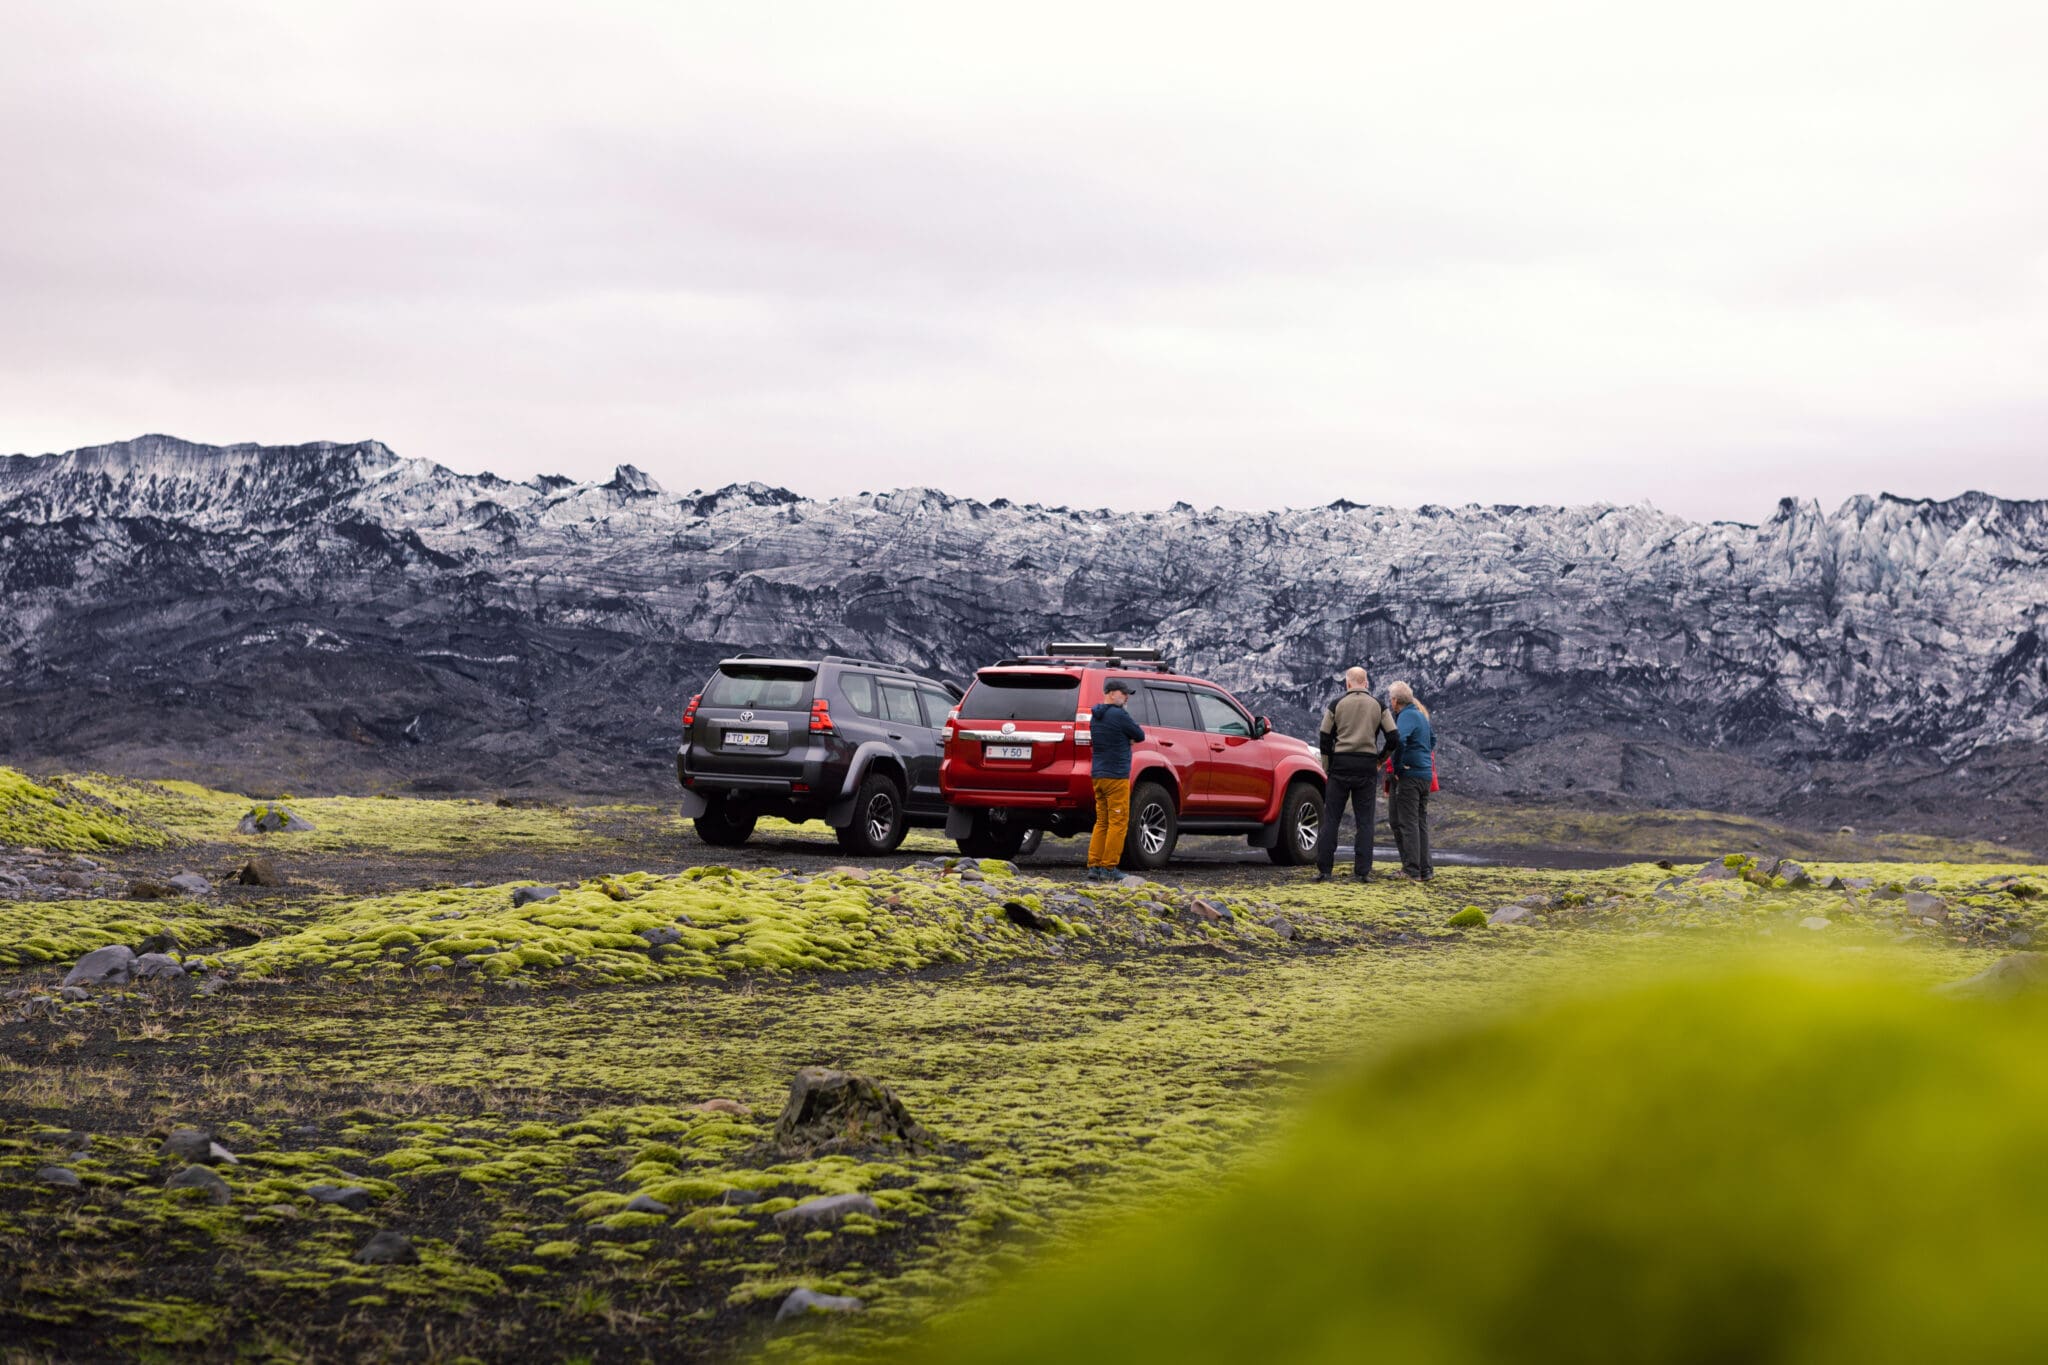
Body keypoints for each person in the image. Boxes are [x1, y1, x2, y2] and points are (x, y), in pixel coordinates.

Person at [1313, 666, 1395, 881]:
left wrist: (1327, 765)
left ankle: (1324, 870)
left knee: (1331, 819)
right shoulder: (1379, 705)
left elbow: (1324, 737)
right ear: (1366, 683)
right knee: (1365, 822)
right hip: (1366, 767)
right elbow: (1394, 738)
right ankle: (1363, 872)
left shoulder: (1336, 704)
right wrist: (1380, 760)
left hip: (1340, 765)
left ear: (1347, 683)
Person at [1086, 679, 1146, 880]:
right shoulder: (1119, 715)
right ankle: (1109, 867)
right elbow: (1139, 735)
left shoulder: (1096, 716)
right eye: (1124, 693)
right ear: (1112, 693)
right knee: (1118, 822)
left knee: (1102, 821)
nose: (1127, 696)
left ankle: (1094, 866)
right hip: (1116, 776)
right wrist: (1128, 739)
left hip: (1098, 775)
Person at [1387, 680, 1436, 880]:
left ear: (1395, 700)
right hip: (1425, 775)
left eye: (1391, 699)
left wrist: (1398, 767)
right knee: (1419, 821)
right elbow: (1433, 739)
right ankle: (1426, 869)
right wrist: (1422, 757)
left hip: (1410, 776)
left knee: (1405, 822)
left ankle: (1411, 869)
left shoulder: (1406, 716)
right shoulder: (1421, 715)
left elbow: (1399, 741)